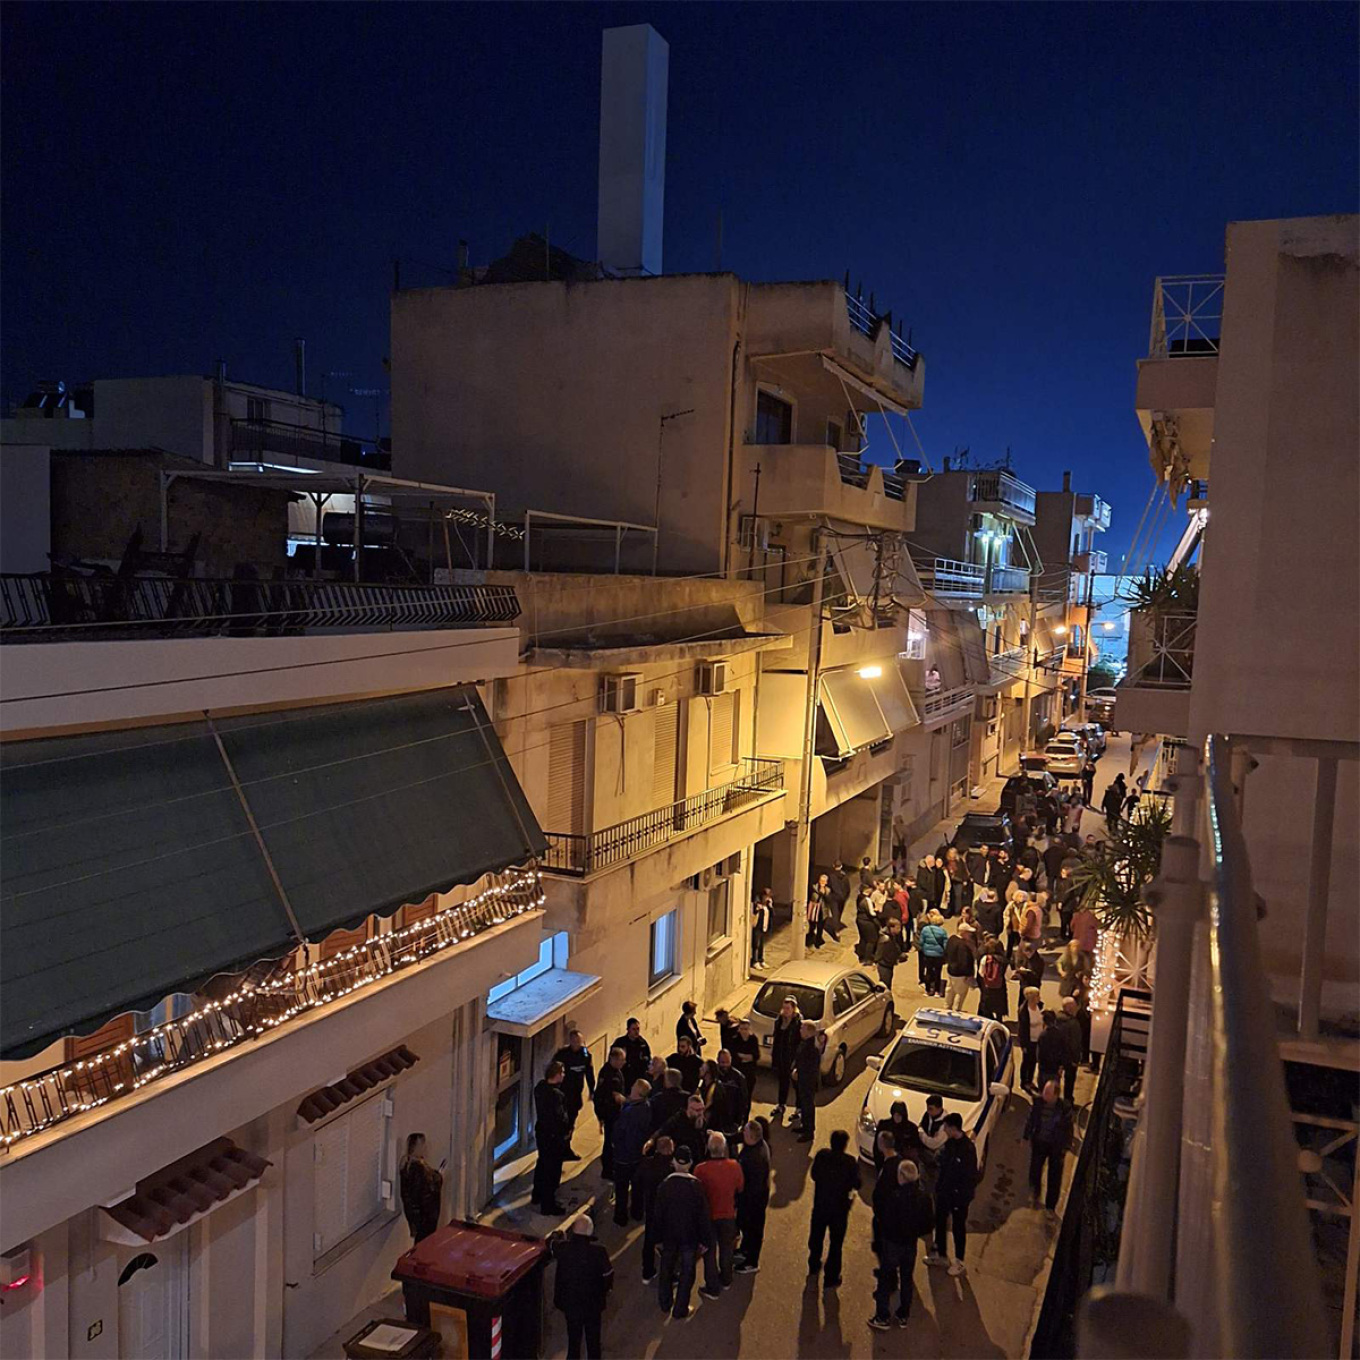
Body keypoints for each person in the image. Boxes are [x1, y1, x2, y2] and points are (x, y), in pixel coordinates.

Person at [869, 1159, 935, 1330]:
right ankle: (903, 1314)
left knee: (885, 1279)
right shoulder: (924, 1199)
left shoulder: (894, 1197)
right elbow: (928, 1225)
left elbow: (884, 1220)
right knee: (907, 1279)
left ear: (901, 1177)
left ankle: (882, 1317)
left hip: (892, 1244)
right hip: (910, 1245)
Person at [653, 1146, 714, 1320]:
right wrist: (705, 1240)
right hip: (690, 1237)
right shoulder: (696, 1186)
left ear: (673, 1162)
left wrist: (656, 1238)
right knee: (687, 1272)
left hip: (669, 1236)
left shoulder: (665, 1186)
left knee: (666, 1268)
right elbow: (703, 1216)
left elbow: (657, 1215)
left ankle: (665, 1302)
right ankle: (680, 1308)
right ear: (690, 1163)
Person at [551, 1214, 613, 1360]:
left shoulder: (564, 1249)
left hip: (570, 1304)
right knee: (593, 1341)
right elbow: (608, 1276)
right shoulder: (599, 1252)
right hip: (593, 1304)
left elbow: (551, 1244)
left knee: (573, 1340)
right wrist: (604, 1292)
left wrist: (558, 1236)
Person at [925, 1114, 978, 1277]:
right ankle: (941, 1255)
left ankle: (959, 1261)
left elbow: (970, 1177)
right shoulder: (950, 1143)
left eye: (946, 1127)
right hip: (944, 1193)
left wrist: (961, 1197)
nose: (944, 1130)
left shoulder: (967, 1150)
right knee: (940, 1222)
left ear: (953, 1128)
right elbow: (941, 1161)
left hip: (959, 1198)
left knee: (958, 1227)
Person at [695, 1131, 744, 1295]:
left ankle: (712, 1287)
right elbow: (740, 1188)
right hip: (728, 1214)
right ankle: (726, 1279)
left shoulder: (701, 1169)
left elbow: (697, 1193)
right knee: (726, 1248)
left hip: (708, 1217)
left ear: (709, 1148)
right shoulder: (734, 1166)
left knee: (709, 1253)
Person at [808, 1129, 858, 1287]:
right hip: (839, 1210)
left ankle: (814, 1264)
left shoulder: (822, 1156)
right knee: (836, 1244)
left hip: (821, 1205)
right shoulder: (850, 1162)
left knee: (816, 1236)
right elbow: (857, 1183)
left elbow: (814, 1175)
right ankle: (831, 1277)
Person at [1022, 1081, 1074, 1212]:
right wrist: (1026, 1136)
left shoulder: (1064, 1109)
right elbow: (1031, 1119)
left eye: (1048, 1092)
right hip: (1039, 1142)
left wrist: (1066, 1147)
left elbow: (1068, 1129)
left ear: (1055, 1095)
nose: (1044, 1094)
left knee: (1054, 1176)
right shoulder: (1038, 1103)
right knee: (1035, 1170)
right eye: (1044, 1091)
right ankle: (1034, 1195)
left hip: (1055, 1146)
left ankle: (1050, 1206)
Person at [610, 1080, 654, 1226]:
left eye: (634, 1086)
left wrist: (614, 1143)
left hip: (624, 1156)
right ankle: (637, 1212)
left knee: (621, 1188)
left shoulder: (629, 1113)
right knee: (637, 1187)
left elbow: (619, 1132)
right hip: (638, 1155)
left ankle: (620, 1216)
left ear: (638, 1092)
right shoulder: (646, 1106)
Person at [552, 1030, 597, 1157]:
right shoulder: (562, 1055)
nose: (577, 1044)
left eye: (579, 1041)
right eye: (574, 1041)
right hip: (563, 1095)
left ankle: (566, 1148)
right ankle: (558, 1148)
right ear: (570, 1041)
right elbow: (553, 1072)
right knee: (561, 1123)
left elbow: (589, 1072)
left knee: (571, 1123)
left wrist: (592, 1090)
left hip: (576, 1095)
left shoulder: (585, 1054)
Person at [635, 1135, 674, 1282]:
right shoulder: (671, 1168)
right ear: (669, 1150)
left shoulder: (646, 1164)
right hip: (667, 1211)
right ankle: (669, 1273)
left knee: (649, 1240)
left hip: (651, 1207)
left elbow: (636, 1181)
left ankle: (647, 1271)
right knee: (668, 1243)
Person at [533, 1061, 570, 1214]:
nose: (564, 1075)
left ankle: (537, 1195)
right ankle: (548, 1205)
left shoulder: (540, 1088)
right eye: (562, 1073)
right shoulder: (556, 1095)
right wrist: (566, 1131)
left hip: (542, 1133)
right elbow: (560, 1118)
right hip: (554, 1138)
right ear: (556, 1075)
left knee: (542, 1163)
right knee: (552, 1171)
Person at [734, 1121, 770, 1273]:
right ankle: (745, 1250)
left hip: (754, 1202)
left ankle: (751, 1262)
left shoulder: (755, 1159)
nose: (742, 1133)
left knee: (753, 1230)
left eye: (745, 1132)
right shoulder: (758, 1145)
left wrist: (740, 1200)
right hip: (754, 1199)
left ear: (751, 1137)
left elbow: (752, 1187)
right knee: (747, 1229)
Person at [399, 1133, 443, 1243]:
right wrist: (437, 1178)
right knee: (424, 1242)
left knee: (422, 1241)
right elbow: (425, 1191)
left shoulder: (408, 1165)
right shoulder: (417, 1168)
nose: (424, 1148)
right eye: (422, 1145)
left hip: (418, 1215)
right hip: (424, 1215)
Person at [593, 1047, 628, 1179]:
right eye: (621, 1060)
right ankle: (607, 1170)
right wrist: (601, 1116)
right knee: (610, 1143)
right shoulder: (607, 1074)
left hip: (615, 1113)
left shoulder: (616, 1071)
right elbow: (600, 1096)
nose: (623, 1062)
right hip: (610, 1114)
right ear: (613, 1059)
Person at [654, 1093, 711, 1166]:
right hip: (682, 1161)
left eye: (702, 1109)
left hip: (698, 1160)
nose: (701, 1113)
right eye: (697, 1110)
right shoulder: (677, 1121)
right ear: (689, 1109)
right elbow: (662, 1131)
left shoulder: (701, 1120)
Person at [771, 996, 803, 1116]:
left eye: (788, 1008)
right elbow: (776, 1038)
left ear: (794, 1009)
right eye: (784, 1008)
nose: (785, 1011)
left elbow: (800, 1042)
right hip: (781, 1056)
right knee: (782, 1082)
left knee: (796, 1084)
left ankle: (799, 1108)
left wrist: (797, 1061)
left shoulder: (798, 1023)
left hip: (792, 1057)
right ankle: (781, 1104)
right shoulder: (779, 1020)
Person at [793, 1022, 823, 1142]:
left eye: (802, 1028)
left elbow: (810, 1067)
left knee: (808, 1106)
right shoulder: (805, 1043)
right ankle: (804, 1126)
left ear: (809, 1032)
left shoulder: (812, 1048)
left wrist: (800, 1073)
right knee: (804, 1105)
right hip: (802, 1080)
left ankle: (809, 1131)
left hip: (808, 1081)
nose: (800, 1030)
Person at [1055, 997, 1084, 1102]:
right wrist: (1076, 1059)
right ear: (1070, 1008)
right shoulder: (1073, 1024)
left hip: (1057, 1055)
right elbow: (1075, 1043)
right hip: (1070, 1058)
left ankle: (1054, 1098)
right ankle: (1068, 1101)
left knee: (1055, 1079)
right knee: (1069, 1081)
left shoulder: (1056, 1020)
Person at [611, 1018, 651, 1093]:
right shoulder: (620, 1043)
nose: (636, 1032)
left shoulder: (642, 1043)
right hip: (625, 1077)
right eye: (634, 1029)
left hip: (638, 1077)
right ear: (628, 1029)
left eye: (638, 1029)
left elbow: (648, 1058)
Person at [1017, 986, 1045, 1092]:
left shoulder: (1039, 1006)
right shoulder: (1024, 1011)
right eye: (1037, 996)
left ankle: (1030, 1080)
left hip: (1038, 1040)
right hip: (1029, 1041)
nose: (1039, 997)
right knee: (1026, 1061)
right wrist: (1023, 1045)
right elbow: (1022, 1030)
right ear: (1031, 997)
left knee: (1033, 1061)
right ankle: (1024, 1082)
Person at [873, 1100, 914, 1172]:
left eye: (899, 1115)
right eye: (895, 1114)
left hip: (902, 1165)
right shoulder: (884, 1125)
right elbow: (877, 1146)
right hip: (885, 1162)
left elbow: (913, 1150)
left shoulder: (911, 1128)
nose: (897, 1117)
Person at [715, 1049, 750, 1132]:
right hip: (715, 1118)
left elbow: (743, 1101)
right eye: (722, 1062)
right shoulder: (713, 1074)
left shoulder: (739, 1078)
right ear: (717, 1060)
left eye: (727, 1062)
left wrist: (738, 1121)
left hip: (731, 1119)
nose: (725, 1065)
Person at [943, 925, 976, 1011]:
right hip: (960, 973)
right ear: (963, 933)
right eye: (968, 933)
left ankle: (947, 1007)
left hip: (951, 970)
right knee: (960, 992)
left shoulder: (952, 939)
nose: (970, 935)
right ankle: (956, 1010)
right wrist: (969, 974)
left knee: (950, 990)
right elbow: (964, 961)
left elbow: (946, 952)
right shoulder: (963, 945)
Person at [1036, 1010, 1068, 1093]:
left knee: (1043, 1091)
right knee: (1054, 1091)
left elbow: (1040, 1054)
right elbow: (1064, 1051)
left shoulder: (1043, 1036)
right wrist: (1061, 1066)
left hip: (1045, 1068)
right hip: (1055, 1068)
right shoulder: (1060, 1034)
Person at [917, 911, 948, 997]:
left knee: (928, 971)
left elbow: (921, 942)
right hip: (939, 954)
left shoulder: (925, 930)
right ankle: (937, 991)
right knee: (938, 973)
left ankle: (928, 990)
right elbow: (945, 945)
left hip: (927, 954)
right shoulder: (943, 932)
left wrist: (924, 949)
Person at [976, 939, 1009, 1020]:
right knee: (999, 1005)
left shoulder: (985, 958)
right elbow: (1008, 976)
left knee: (987, 1005)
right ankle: (999, 1020)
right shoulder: (1004, 960)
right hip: (1000, 986)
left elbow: (981, 972)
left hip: (987, 986)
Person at [698, 1060, 731, 1135]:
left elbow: (712, 1111)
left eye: (702, 1069)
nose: (700, 1069)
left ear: (708, 1074)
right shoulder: (704, 1084)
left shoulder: (716, 1090)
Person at [730, 1020, 761, 1099]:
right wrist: (747, 1057)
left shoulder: (753, 1039)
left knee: (747, 1095)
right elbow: (734, 1055)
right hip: (739, 1070)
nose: (744, 1031)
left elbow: (756, 1055)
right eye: (742, 1029)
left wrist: (743, 1056)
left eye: (746, 1029)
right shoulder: (735, 1040)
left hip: (750, 1071)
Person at [874, 916, 904, 991]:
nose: (899, 930)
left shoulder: (892, 936)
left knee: (888, 984)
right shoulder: (885, 938)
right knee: (885, 985)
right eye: (898, 928)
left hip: (889, 964)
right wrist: (876, 962)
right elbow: (879, 952)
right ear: (891, 928)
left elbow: (895, 947)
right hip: (884, 965)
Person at [855, 889, 881, 964]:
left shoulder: (859, 897)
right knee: (871, 940)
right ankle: (867, 958)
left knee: (863, 938)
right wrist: (876, 910)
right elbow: (872, 913)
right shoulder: (867, 900)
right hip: (867, 921)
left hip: (860, 920)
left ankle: (861, 956)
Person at [750, 888, 772, 968]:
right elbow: (754, 913)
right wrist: (758, 908)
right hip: (757, 927)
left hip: (764, 927)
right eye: (766, 896)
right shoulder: (758, 905)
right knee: (756, 944)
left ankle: (761, 959)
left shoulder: (767, 906)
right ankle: (755, 961)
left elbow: (772, 915)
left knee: (762, 945)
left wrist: (770, 906)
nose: (767, 898)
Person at [828, 860, 853, 932]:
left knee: (835, 913)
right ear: (841, 866)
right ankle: (837, 924)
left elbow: (829, 887)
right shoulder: (845, 876)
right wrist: (845, 897)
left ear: (833, 866)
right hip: (842, 898)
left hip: (834, 898)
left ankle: (836, 930)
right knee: (840, 912)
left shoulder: (831, 876)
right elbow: (848, 888)